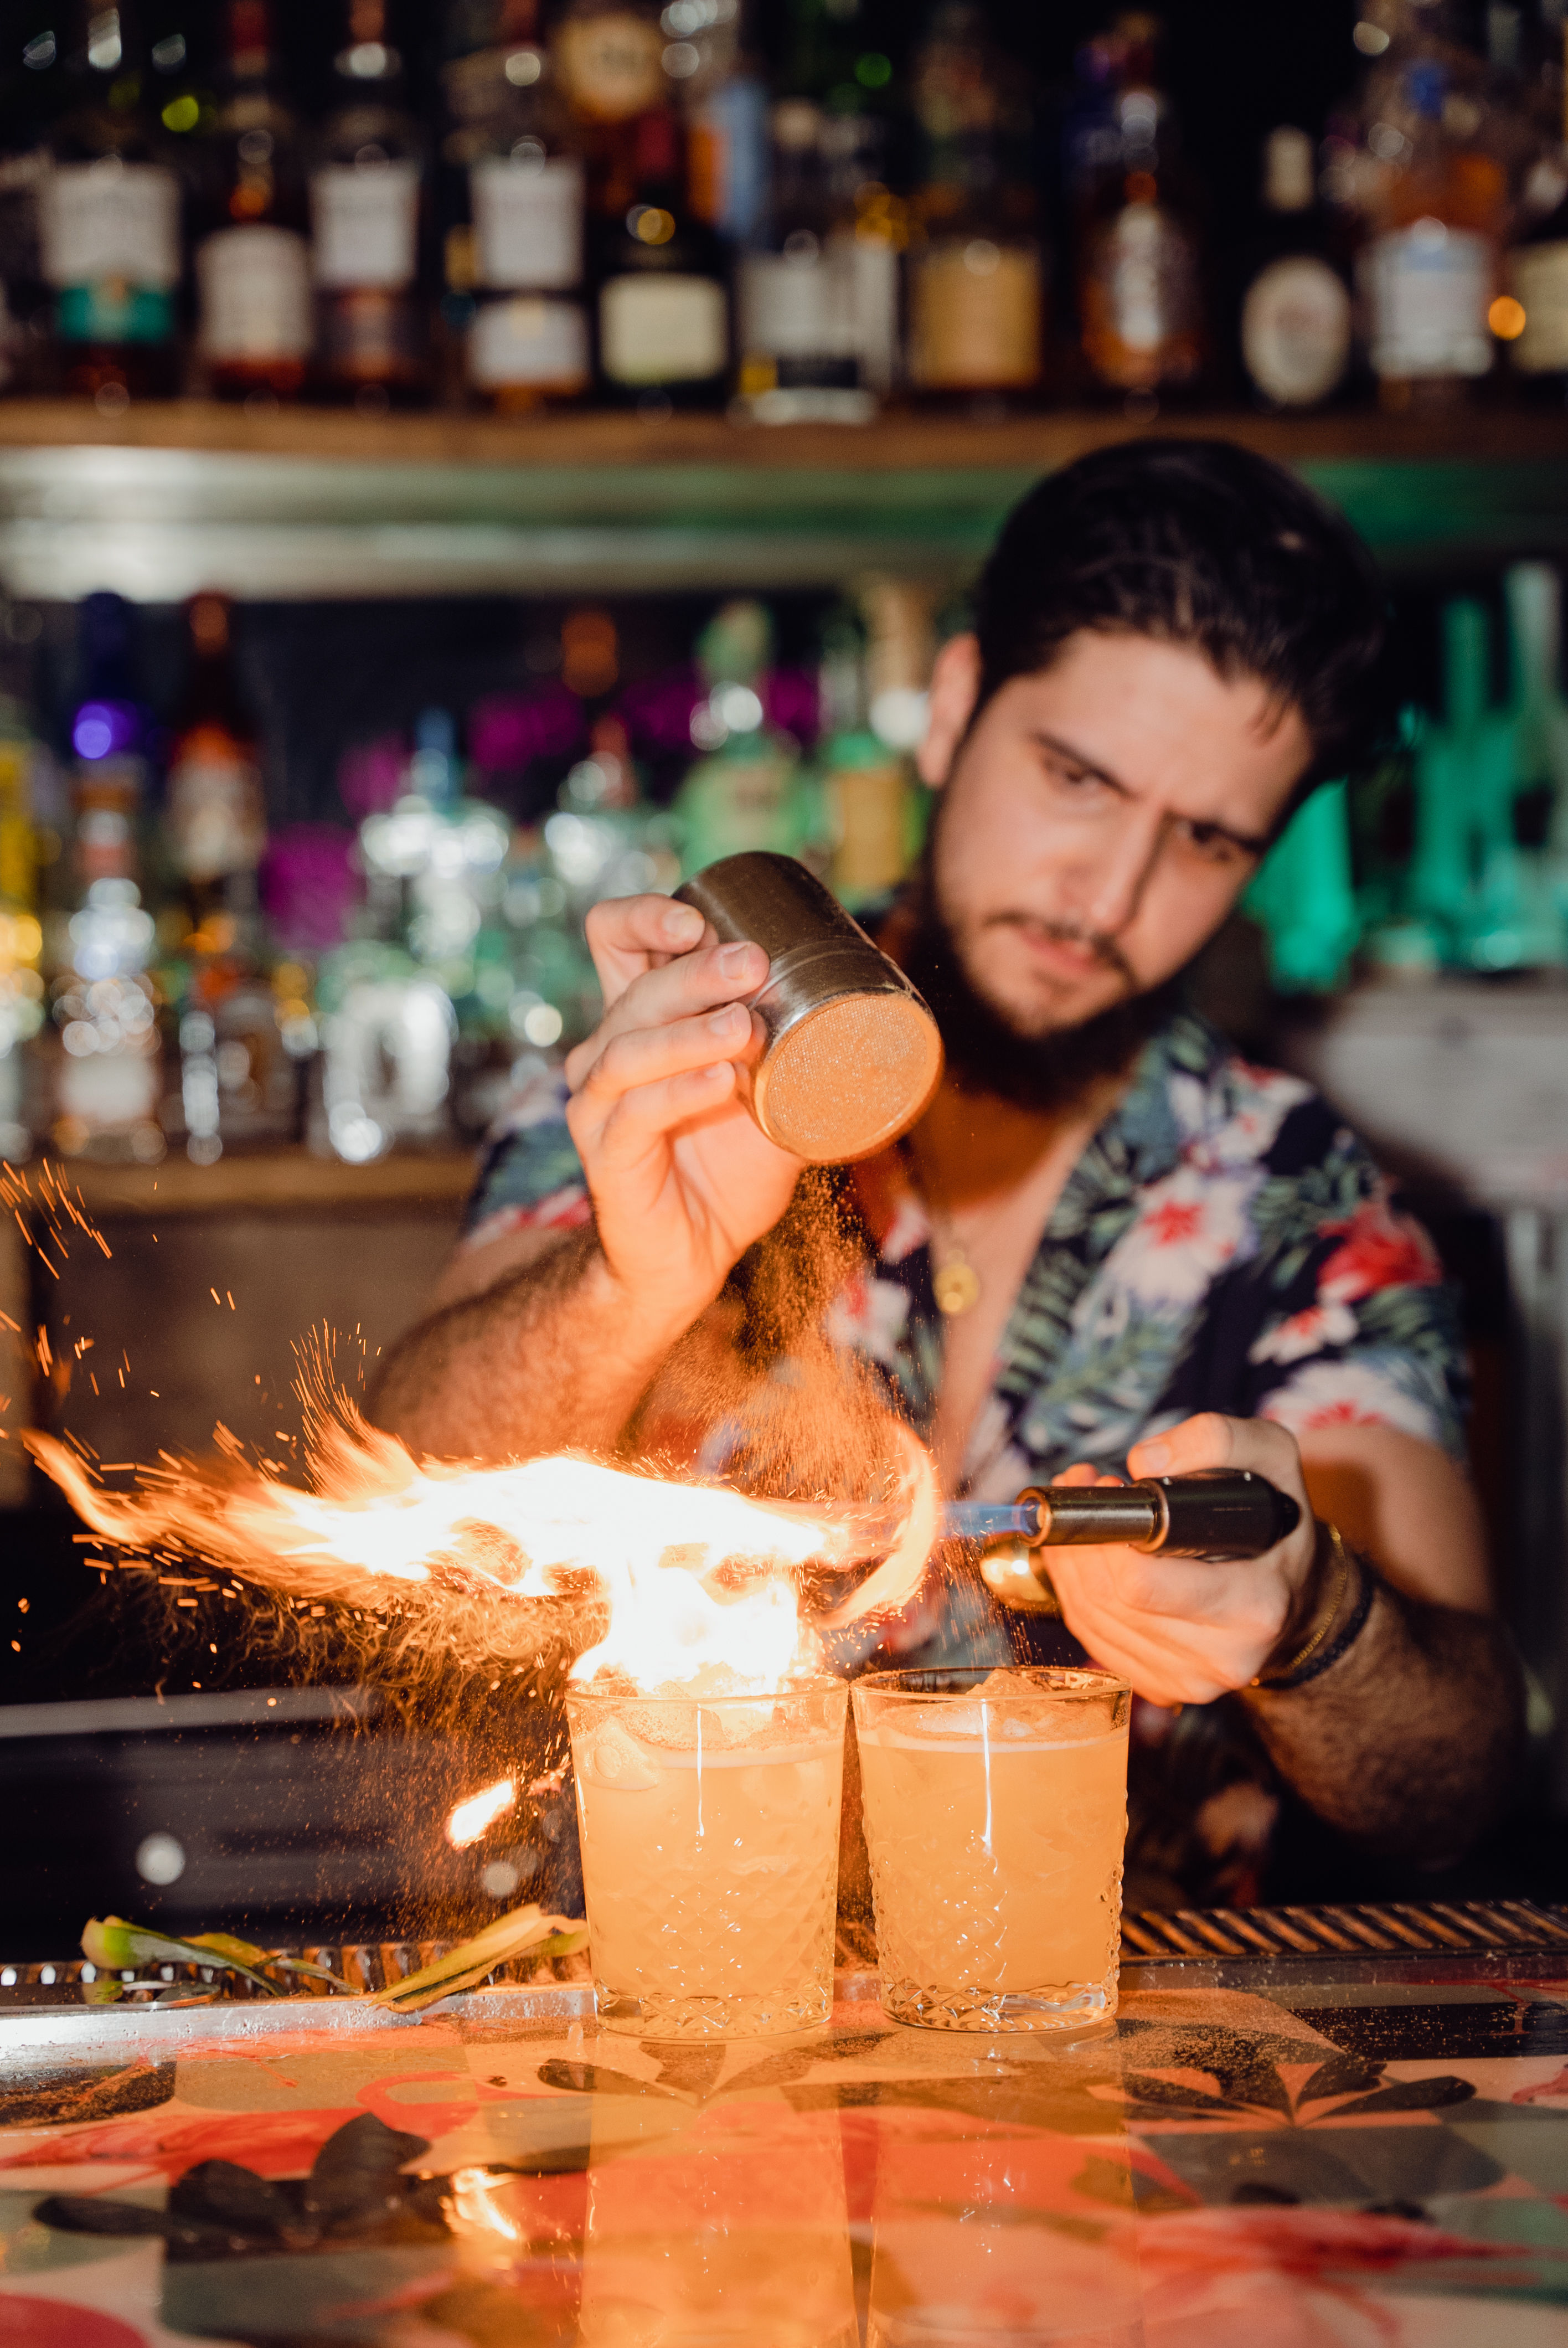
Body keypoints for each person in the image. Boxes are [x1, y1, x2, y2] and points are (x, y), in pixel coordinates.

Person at [373, 440, 1524, 1910]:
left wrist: (1308, 1612)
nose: (1107, 897)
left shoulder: (1303, 1203)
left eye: (1207, 840)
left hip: (1116, 2081)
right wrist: (630, 1284)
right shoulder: (692, 1060)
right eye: (1076, 779)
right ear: (958, 706)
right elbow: (407, 1521)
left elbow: (1460, 1784)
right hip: (670, 2040)